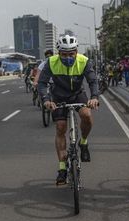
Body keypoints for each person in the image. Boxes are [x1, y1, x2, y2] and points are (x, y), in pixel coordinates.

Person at [37, 34, 100, 185]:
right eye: (64, 54)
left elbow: (92, 81)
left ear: (76, 51)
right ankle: (62, 168)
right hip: (58, 96)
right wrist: (46, 100)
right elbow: (42, 83)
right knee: (60, 127)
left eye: (71, 54)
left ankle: (83, 142)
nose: (68, 57)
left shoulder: (84, 61)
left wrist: (94, 97)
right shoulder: (51, 62)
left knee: (86, 114)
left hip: (77, 94)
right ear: (58, 53)